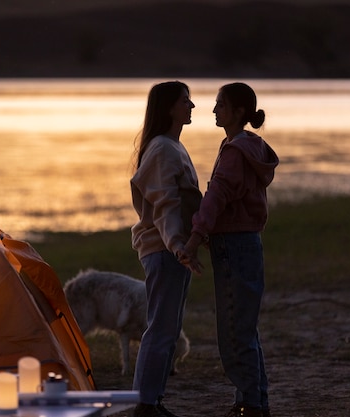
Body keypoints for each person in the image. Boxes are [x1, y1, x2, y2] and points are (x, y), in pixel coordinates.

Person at [180, 82, 279, 417]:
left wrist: (194, 238)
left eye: (220, 104)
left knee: (234, 330)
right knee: (244, 328)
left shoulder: (236, 152)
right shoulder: (246, 147)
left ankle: (251, 405)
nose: (213, 110)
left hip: (235, 246)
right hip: (245, 243)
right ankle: (253, 400)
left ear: (238, 112)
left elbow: (217, 195)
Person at [130, 81, 202, 417]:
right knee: (161, 327)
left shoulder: (171, 147)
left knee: (168, 327)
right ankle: (145, 403)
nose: (192, 106)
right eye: (185, 100)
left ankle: (151, 400)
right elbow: (165, 205)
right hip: (164, 250)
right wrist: (177, 246)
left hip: (171, 249)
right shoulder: (163, 149)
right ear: (170, 107)